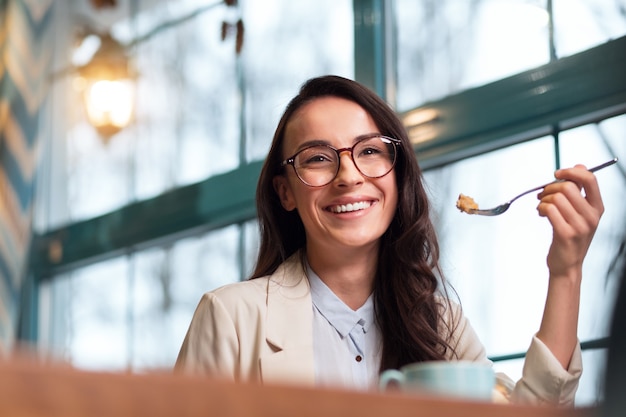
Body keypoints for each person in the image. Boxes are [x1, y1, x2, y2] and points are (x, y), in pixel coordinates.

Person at [175, 75, 605, 405]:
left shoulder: (440, 323)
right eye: (319, 159)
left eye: (369, 151)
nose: (348, 176)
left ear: (397, 178)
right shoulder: (230, 316)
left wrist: (566, 271)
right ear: (286, 192)